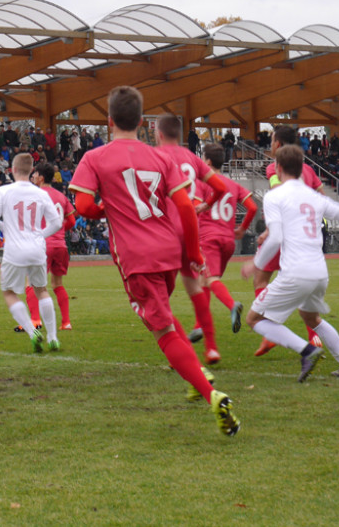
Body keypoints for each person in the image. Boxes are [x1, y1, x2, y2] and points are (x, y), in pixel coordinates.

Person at [69, 86, 239, 437]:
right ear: (142, 122)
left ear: (109, 120)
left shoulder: (96, 157)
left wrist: (108, 208)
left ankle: (213, 394)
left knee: (161, 331)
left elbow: (83, 207)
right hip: (167, 249)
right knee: (164, 312)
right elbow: (186, 210)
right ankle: (199, 375)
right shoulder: (161, 157)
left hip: (136, 256)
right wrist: (192, 253)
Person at [241, 145, 339, 382]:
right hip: (319, 273)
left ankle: (307, 351)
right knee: (311, 318)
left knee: (254, 319)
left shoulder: (275, 196)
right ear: (302, 169)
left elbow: (275, 237)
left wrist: (255, 264)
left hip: (295, 273)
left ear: (277, 168)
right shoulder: (315, 196)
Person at [155, 114, 230, 365]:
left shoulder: (156, 157)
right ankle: (211, 347)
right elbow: (219, 188)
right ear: (179, 133)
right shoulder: (193, 159)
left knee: (161, 294)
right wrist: (204, 205)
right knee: (195, 287)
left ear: (159, 133)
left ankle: (179, 349)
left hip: (165, 231)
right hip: (191, 230)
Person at [253, 124, 328, 356]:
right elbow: (322, 198)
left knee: (260, 277)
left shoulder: (274, 168)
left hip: (285, 232)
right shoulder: (308, 169)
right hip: (308, 236)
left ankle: (269, 333)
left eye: (272, 141)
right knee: (302, 286)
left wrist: (268, 231)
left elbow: (279, 195)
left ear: (277, 144)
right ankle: (314, 336)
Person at [0, 153, 64, 352]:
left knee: (9, 292)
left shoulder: (4, 191)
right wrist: (39, 234)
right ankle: (53, 337)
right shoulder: (40, 193)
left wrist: (9, 230)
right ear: (31, 171)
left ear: (12, 170)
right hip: (37, 249)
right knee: (42, 290)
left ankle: (32, 331)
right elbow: (56, 222)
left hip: (14, 250)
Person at [187, 144, 258, 357]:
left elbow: (195, 209)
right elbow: (253, 207)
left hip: (209, 238)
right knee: (205, 280)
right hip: (228, 241)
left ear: (207, 162)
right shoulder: (234, 185)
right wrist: (241, 229)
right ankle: (199, 327)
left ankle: (232, 305)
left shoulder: (202, 183)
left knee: (209, 279)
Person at [18, 162, 76, 332]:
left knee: (31, 281)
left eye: (35, 174)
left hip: (42, 245)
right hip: (60, 246)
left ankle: (35, 320)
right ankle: (66, 322)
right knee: (57, 283)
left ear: (41, 178)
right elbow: (71, 221)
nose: (33, 176)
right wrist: (58, 232)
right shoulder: (61, 196)